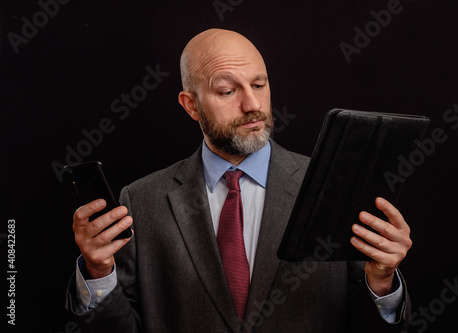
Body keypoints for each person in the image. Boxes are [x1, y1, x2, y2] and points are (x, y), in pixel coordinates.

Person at [66, 28, 413, 332]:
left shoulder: (334, 188)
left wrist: (381, 280)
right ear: (191, 106)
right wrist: (98, 272)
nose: (252, 104)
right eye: (227, 91)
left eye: (259, 85)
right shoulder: (141, 202)